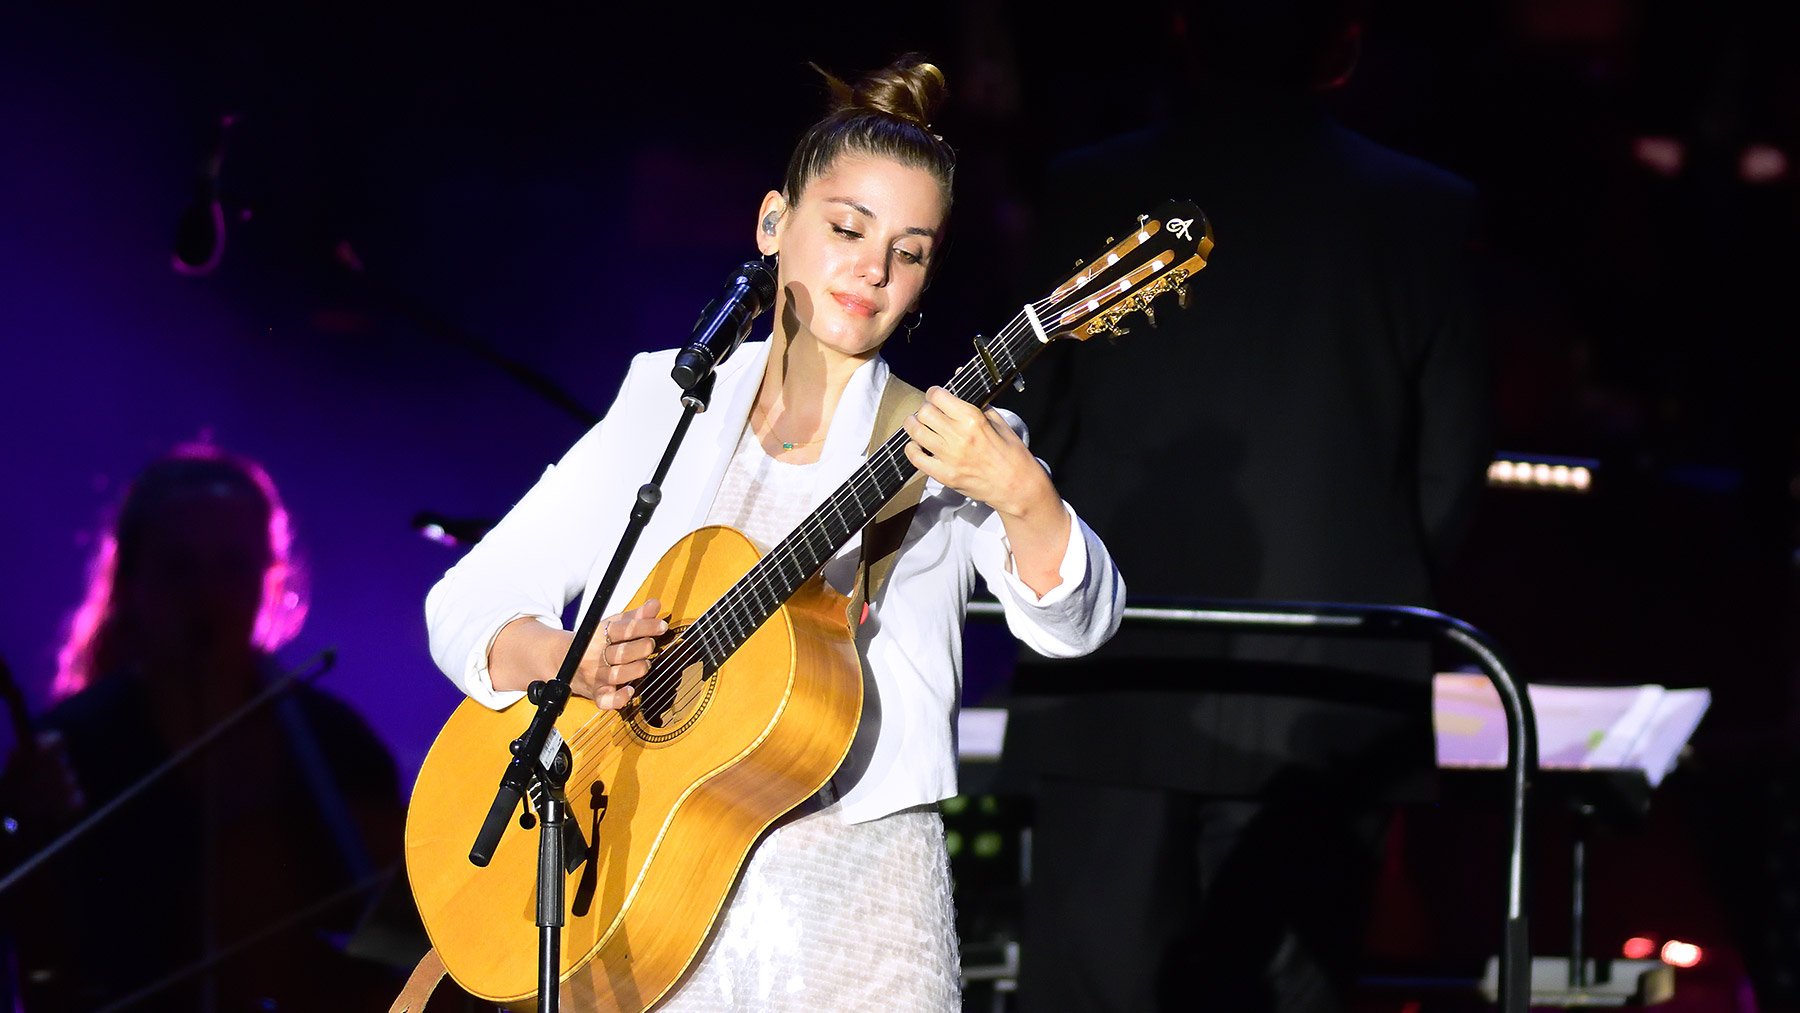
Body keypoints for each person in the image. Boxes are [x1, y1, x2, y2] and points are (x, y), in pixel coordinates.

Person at [424, 55, 1124, 1010]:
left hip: (864, 918)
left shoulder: (957, 439)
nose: (873, 270)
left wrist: (1025, 495)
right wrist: (572, 660)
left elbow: (1077, 624)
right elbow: (465, 602)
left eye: (910, 251)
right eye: (847, 228)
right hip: (646, 886)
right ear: (772, 223)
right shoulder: (668, 397)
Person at [998, 2, 1493, 1010]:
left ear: (1184, 29)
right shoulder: (1428, 211)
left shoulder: (1089, 189)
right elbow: (1451, 468)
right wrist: (1370, 606)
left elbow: (1026, 432)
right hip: (1329, 691)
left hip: (1114, 674)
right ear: (1345, 41)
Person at [0, 443, 407, 1011]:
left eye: (233, 565)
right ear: (131, 583)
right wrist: (22, 830)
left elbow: (401, 939)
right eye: (178, 567)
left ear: (269, 579)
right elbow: (43, 965)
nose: (207, 594)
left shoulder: (339, 745)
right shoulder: (72, 747)